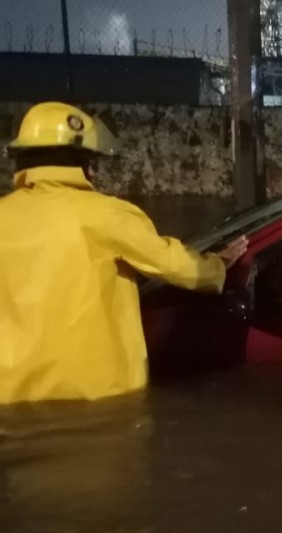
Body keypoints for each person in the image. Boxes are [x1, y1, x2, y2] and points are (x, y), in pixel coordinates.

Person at [0, 102, 248, 403]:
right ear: (84, 163)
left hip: (12, 391)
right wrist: (217, 265)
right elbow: (174, 265)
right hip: (97, 389)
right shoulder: (108, 215)